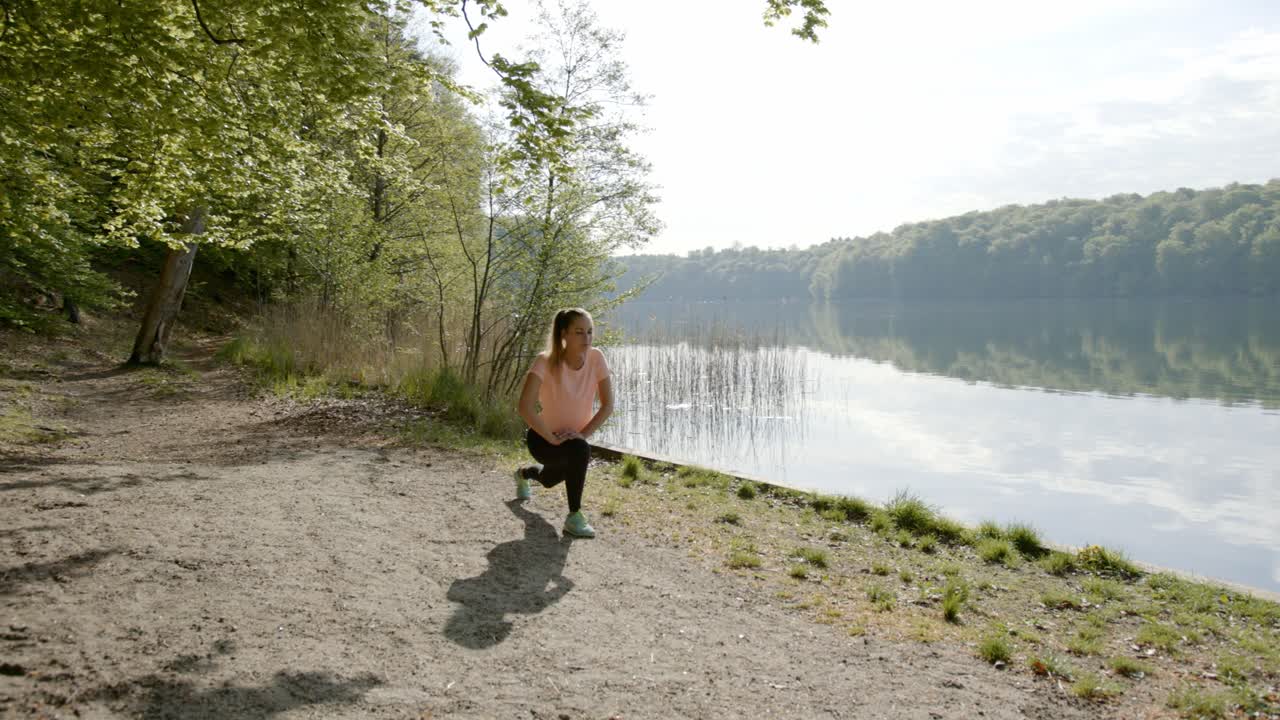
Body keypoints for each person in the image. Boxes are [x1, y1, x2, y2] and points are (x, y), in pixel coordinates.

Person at [514, 308, 614, 538]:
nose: (586, 338)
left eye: (589, 332)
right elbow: (524, 407)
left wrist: (582, 434)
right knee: (579, 451)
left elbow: (608, 405)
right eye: (579, 332)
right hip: (542, 440)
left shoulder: (596, 358)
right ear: (564, 334)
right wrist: (551, 437)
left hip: (572, 443)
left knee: (549, 479)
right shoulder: (545, 361)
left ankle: (522, 474)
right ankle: (574, 517)